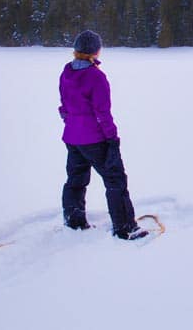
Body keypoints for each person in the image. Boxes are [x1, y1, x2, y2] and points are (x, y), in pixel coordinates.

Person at [58, 30, 148, 240]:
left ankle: (74, 221)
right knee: (116, 180)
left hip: (72, 136)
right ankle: (126, 228)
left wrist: (70, 121)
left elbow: (64, 104)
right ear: (94, 51)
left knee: (76, 179)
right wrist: (112, 139)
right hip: (95, 139)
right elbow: (102, 112)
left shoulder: (67, 72)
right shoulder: (96, 77)